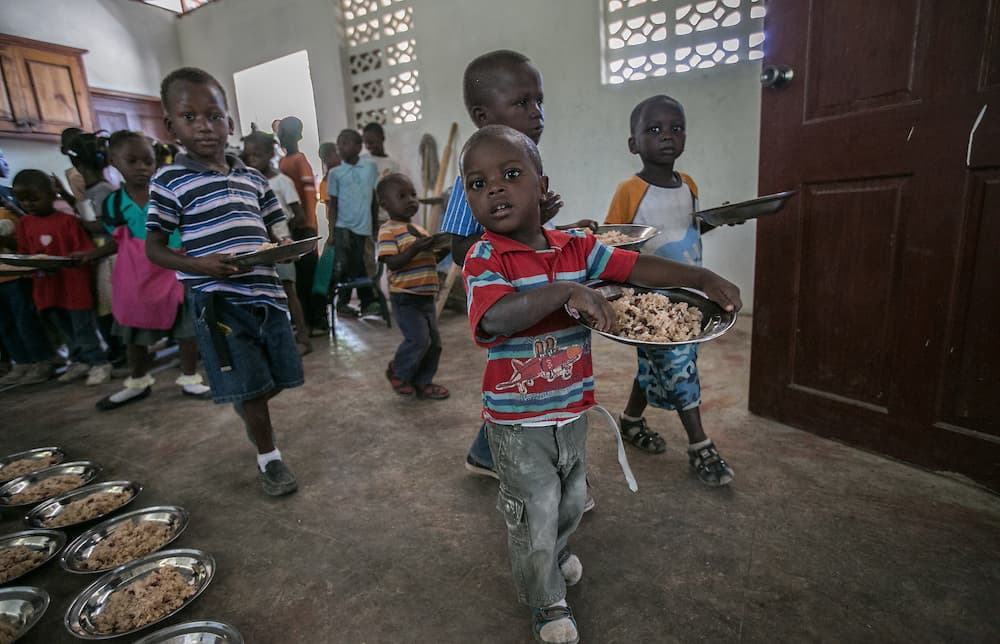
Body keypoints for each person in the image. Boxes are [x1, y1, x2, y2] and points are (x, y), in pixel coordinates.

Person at [461, 125, 741, 644]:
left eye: (511, 175)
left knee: (569, 500)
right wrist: (566, 290)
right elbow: (497, 318)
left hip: (571, 408)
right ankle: (545, 603)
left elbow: (633, 267)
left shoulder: (576, 247)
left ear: (542, 186)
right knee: (533, 513)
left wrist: (699, 279)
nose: (494, 189)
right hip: (517, 421)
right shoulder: (485, 259)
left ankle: (556, 554)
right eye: (477, 184)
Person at [438, 50, 598, 480]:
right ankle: (522, 467)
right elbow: (458, 248)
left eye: (539, 101)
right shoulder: (471, 183)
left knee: (534, 380)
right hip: (505, 301)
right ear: (483, 114)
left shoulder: (522, 167)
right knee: (520, 380)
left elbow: (526, 234)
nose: (537, 113)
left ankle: (488, 454)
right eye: (523, 103)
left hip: (534, 293)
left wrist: (558, 230)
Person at [146, 67, 302, 497]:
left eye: (214, 115)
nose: (205, 127)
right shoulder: (169, 181)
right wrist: (202, 265)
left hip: (266, 294)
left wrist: (283, 243)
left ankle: (243, 398)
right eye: (190, 116)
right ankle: (269, 459)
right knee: (252, 387)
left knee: (279, 379)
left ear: (229, 121)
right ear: (171, 125)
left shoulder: (253, 178)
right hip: (218, 302)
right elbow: (155, 249)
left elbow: (275, 221)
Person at [604, 95, 735, 486]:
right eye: (654, 130)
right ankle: (700, 444)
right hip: (651, 300)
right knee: (678, 367)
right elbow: (614, 240)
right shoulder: (630, 189)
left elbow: (686, 229)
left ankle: (629, 420)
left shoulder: (689, 185)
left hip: (688, 299)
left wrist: (720, 220)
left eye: (675, 129)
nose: (666, 137)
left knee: (657, 363)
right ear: (634, 143)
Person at [81, 131, 211, 410]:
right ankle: (138, 381)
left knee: (186, 328)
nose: (141, 167)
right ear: (114, 162)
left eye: (147, 161)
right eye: (132, 161)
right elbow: (116, 241)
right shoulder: (114, 203)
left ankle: (190, 376)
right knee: (132, 329)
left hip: (175, 268)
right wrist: (91, 254)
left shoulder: (168, 194)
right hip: (135, 274)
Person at [13, 170, 110, 385]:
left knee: (82, 327)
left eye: (34, 199)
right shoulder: (24, 224)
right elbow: (24, 254)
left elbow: (83, 251)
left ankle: (98, 361)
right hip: (47, 287)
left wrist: (65, 260)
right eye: (23, 201)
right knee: (63, 327)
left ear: (52, 194)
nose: (29, 205)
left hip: (73, 286)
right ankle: (79, 360)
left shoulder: (68, 221)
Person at [376, 173, 449, 399]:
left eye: (413, 194)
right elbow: (393, 263)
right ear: (385, 204)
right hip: (405, 297)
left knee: (434, 344)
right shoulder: (388, 230)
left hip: (426, 296)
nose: (411, 200)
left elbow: (429, 260)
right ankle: (398, 370)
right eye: (402, 196)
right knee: (419, 339)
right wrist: (416, 248)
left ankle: (423, 382)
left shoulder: (421, 231)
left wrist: (444, 247)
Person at [242, 131, 312, 355]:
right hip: (256, 247)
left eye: (258, 155)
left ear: (271, 153)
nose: (253, 160)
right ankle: (272, 339)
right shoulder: (246, 181)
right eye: (249, 156)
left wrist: (281, 225)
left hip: (280, 246)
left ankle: (303, 338)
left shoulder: (282, 182)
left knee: (288, 291)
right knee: (262, 294)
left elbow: (299, 215)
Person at [0, 158, 55, 387]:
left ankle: (42, 360)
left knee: (25, 320)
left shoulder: (8, 205)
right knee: (5, 324)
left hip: (15, 276)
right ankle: (21, 362)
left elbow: (23, 246)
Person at [277, 116, 325, 335]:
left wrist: (306, 223)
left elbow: (309, 195)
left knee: (309, 275)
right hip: (293, 228)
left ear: (298, 135)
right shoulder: (282, 163)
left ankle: (317, 321)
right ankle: (304, 321)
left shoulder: (299, 160)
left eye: (288, 132)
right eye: (282, 132)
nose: (284, 136)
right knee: (298, 278)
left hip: (304, 227)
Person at [326, 128, 379, 317]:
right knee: (346, 266)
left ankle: (364, 302)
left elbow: (373, 197)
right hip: (343, 227)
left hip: (363, 226)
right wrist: (332, 232)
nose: (340, 147)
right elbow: (333, 206)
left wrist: (374, 226)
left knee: (359, 264)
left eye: (345, 142)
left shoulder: (370, 168)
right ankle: (348, 303)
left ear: (358, 147)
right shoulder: (335, 173)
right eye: (339, 143)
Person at [361, 122, 400, 282]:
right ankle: (375, 289)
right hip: (369, 217)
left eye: (373, 141)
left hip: (387, 217)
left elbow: (397, 191)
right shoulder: (363, 161)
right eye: (366, 143)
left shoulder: (392, 164)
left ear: (382, 138)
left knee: (390, 253)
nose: (369, 146)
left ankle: (392, 285)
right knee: (371, 256)